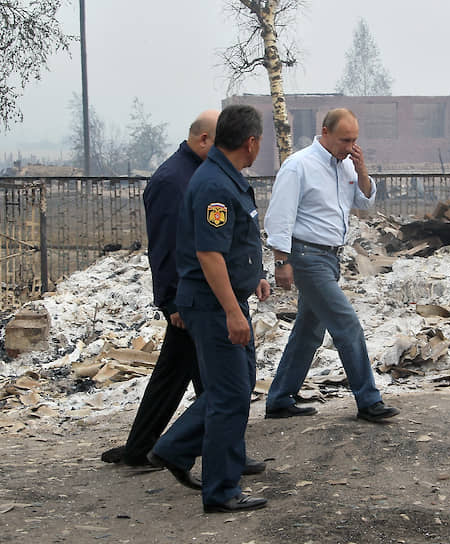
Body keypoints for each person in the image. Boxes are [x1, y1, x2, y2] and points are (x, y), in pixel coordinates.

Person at [100, 111, 265, 476]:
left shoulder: (203, 174)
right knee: (219, 384)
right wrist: (171, 300)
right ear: (205, 139)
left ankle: (154, 448)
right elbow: (167, 247)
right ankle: (164, 449)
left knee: (199, 378)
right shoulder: (175, 180)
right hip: (195, 296)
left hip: (204, 294)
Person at [147, 104, 271, 513]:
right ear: (250, 143)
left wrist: (253, 275)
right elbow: (209, 254)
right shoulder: (216, 185)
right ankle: (221, 490)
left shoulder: (224, 177)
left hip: (228, 297)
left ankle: (175, 447)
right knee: (229, 395)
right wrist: (232, 312)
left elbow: (232, 244)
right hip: (215, 304)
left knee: (235, 384)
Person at [263, 108, 400, 423]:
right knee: (346, 323)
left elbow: (364, 203)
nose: (349, 146)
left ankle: (280, 398)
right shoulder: (299, 166)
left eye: (354, 140)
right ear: (324, 132)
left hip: (330, 256)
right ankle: (368, 400)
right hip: (306, 256)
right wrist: (281, 261)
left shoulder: (346, 167)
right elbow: (280, 217)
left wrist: (361, 168)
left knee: (308, 330)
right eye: (343, 139)